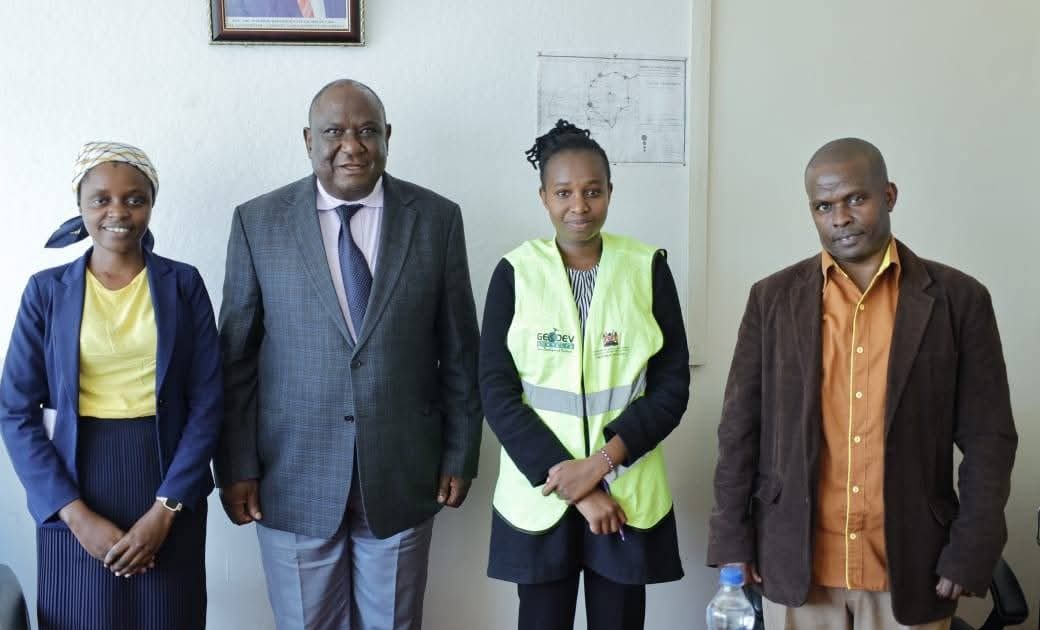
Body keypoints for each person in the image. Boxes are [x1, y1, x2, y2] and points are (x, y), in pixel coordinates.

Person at [707, 138, 1018, 629]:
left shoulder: (959, 300)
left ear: (889, 195)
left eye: (856, 198)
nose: (840, 218)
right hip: (796, 565)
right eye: (824, 206)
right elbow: (739, 430)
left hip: (911, 566)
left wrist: (972, 547)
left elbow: (989, 439)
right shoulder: (772, 300)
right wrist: (731, 540)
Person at [215, 79, 482, 630]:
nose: (351, 146)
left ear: (388, 137)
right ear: (308, 139)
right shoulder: (257, 221)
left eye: (367, 131)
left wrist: (461, 452)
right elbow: (235, 360)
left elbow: (459, 350)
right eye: (334, 131)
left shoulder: (437, 219)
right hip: (290, 474)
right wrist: (235, 465)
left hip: (403, 469)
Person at [0, 142, 223, 630]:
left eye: (134, 199)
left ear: (151, 204)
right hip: (73, 484)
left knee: (168, 618)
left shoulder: (184, 284)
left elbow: (208, 401)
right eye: (101, 199)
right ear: (80, 206)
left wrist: (166, 509)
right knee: (80, 617)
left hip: (166, 478)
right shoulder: (45, 291)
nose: (118, 211)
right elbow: (14, 410)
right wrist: (74, 514)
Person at [479, 120, 690, 630]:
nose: (579, 205)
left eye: (593, 191)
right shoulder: (515, 272)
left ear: (610, 192)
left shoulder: (646, 268)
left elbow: (671, 387)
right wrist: (576, 485)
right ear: (543, 197)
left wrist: (600, 465)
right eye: (564, 193)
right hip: (541, 495)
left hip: (625, 493)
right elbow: (495, 390)